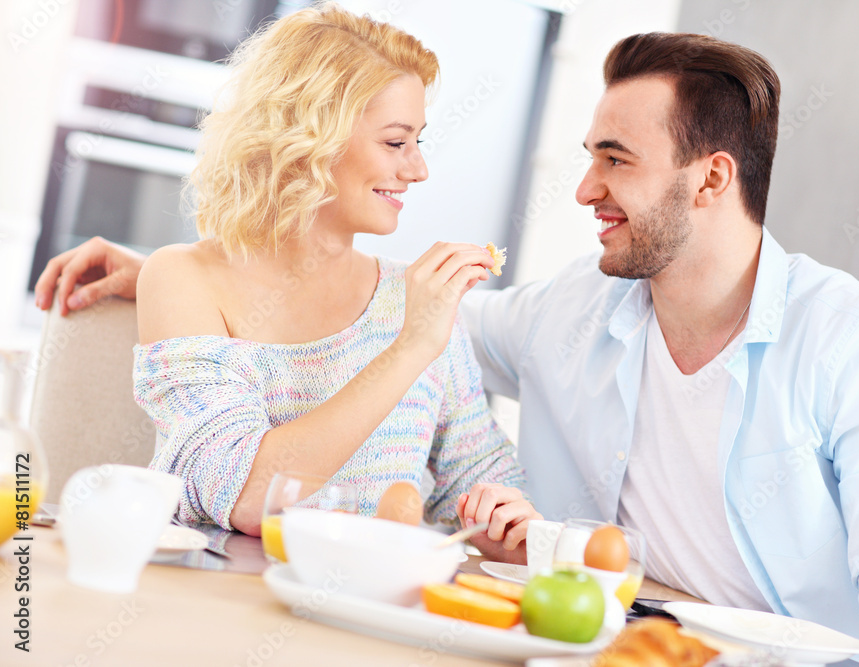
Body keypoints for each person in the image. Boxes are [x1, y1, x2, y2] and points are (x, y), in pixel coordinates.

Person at [36, 30, 859, 665]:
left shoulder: (858, 345)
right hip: (593, 643)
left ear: (712, 176)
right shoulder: (574, 313)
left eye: (615, 159)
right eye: (589, 155)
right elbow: (378, 330)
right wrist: (167, 269)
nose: (583, 188)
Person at [37, 4, 542, 561]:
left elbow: (488, 487)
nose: (418, 169)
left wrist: (508, 520)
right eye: (397, 143)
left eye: (418, 141)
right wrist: (412, 346)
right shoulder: (186, 278)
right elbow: (249, 497)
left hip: (366, 624)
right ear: (310, 140)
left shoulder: (413, 301)